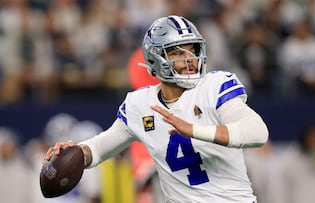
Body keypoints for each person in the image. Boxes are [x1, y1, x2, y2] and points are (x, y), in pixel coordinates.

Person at [44, 15, 269, 203]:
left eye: (192, 50)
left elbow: (258, 132)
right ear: (155, 58)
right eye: (178, 52)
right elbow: (100, 148)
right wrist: (74, 152)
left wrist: (194, 130)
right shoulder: (140, 105)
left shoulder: (215, 86)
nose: (189, 59)